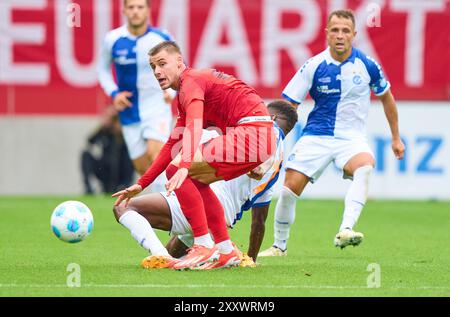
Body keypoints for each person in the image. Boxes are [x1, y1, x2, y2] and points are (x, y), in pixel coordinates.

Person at [112, 41, 276, 270]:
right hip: (260, 138)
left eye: (162, 64)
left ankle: (203, 243)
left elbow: (195, 126)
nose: (157, 71)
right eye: (152, 67)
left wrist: (183, 165)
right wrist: (141, 183)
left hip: (252, 132)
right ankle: (226, 251)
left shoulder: (191, 82)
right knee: (193, 175)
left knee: (179, 169)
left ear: (179, 62)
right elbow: (173, 142)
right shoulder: (186, 93)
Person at [259, 10, 405, 257]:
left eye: (345, 31)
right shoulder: (313, 66)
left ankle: (346, 229)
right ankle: (279, 247)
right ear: (327, 34)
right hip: (315, 136)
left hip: (351, 139)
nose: (340, 36)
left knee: (365, 166)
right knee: (287, 190)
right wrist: (270, 141)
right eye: (335, 30)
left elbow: (387, 98)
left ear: (354, 35)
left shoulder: (368, 65)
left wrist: (396, 137)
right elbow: (288, 105)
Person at [113, 101, 298, 269]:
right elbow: (259, 221)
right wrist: (251, 258)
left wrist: (258, 165)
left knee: (123, 207)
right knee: (175, 256)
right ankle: (211, 248)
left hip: (206, 201)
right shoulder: (277, 168)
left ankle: (162, 254)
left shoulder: (267, 131)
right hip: (222, 220)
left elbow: (261, 159)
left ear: (272, 117)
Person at [97, 0, 174, 192]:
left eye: (140, 7)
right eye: (131, 7)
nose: (135, 11)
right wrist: (114, 93)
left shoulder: (161, 38)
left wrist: (171, 91)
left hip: (156, 106)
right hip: (129, 111)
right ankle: (163, 208)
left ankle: (172, 209)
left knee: (155, 155)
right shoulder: (113, 39)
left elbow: (179, 66)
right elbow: (102, 69)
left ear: (148, 10)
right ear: (124, 10)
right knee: (143, 168)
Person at [80, 106, 134, 194]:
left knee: (131, 156)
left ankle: (126, 186)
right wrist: (103, 126)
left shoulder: (124, 130)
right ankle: (88, 188)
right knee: (85, 154)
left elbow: (132, 144)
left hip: (121, 169)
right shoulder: (104, 130)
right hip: (104, 169)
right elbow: (90, 141)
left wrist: (121, 127)